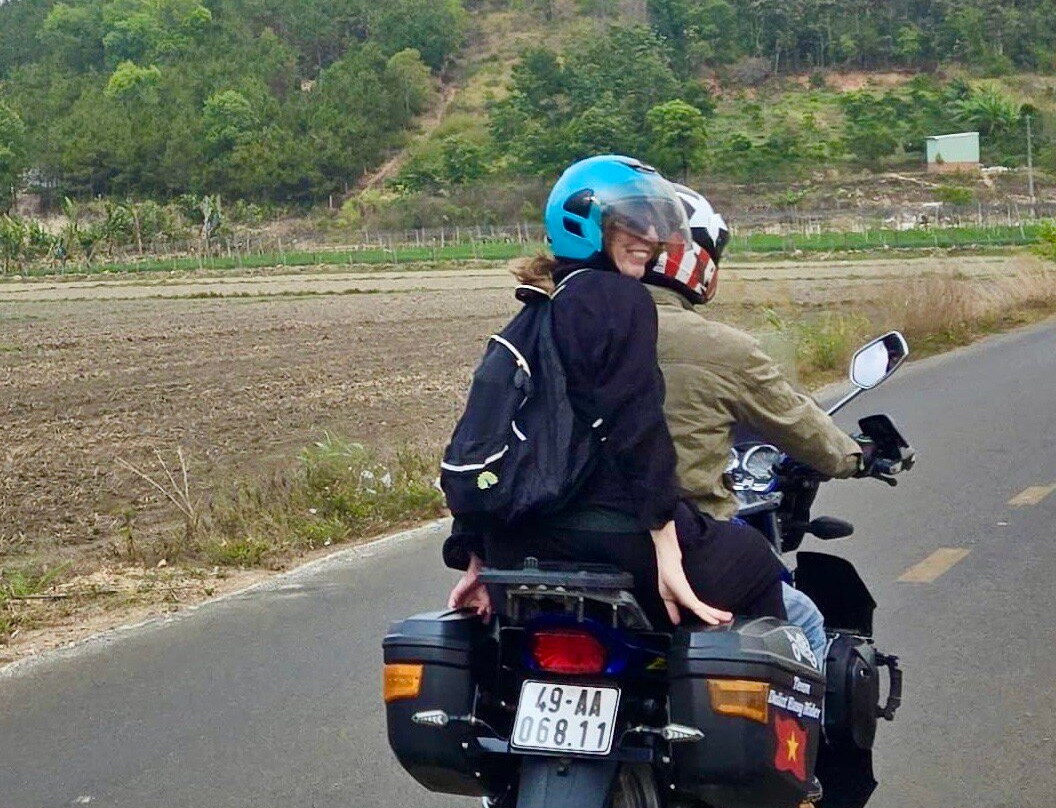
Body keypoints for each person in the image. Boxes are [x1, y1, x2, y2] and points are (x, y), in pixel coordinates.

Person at [444, 155, 787, 629]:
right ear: (584, 221)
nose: (652, 236)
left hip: (515, 546)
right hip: (611, 540)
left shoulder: (537, 309)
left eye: (657, 224)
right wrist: (667, 547)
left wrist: (478, 557)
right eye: (634, 221)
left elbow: (484, 436)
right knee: (756, 561)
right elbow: (635, 425)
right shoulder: (618, 298)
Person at [644, 183, 869, 663]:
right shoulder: (720, 348)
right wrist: (855, 457)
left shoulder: (553, 328)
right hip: (679, 546)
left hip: (552, 554)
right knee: (804, 620)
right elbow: (800, 425)